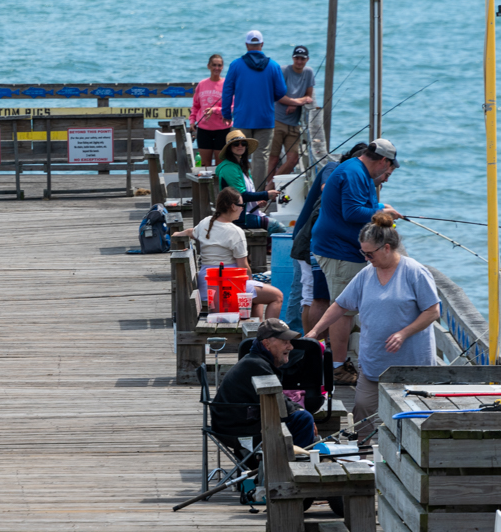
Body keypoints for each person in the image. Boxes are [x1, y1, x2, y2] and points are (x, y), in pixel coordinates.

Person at [305, 214, 440, 442]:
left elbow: (433, 311)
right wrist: (315, 331)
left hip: (412, 365)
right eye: (363, 254)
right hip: (374, 363)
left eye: (370, 254)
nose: (366, 259)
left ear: (387, 248)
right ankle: (364, 454)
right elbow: (340, 305)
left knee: (412, 418)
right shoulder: (366, 274)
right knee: (362, 411)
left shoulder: (414, 272)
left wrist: (403, 333)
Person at [309, 138, 403, 383]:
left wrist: (381, 206)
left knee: (348, 309)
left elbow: (364, 205)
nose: (386, 174)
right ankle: (338, 367)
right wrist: (383, 213)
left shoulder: (358, 170)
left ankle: (341, 361)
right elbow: (352, 212)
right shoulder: (353, 173)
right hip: (338, 251)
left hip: (346, 249)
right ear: (383, 160)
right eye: (388, 169)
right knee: (344, 310)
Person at [171, 183, 285, 320]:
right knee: (277, 296)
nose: (243, 210)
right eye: (241, 206)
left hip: (206, 283)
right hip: (225, 286)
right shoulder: (235, 232)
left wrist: (178, 234)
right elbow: (244, 267)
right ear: (232, 207)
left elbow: (191, 232)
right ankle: (268, 335)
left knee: (256, 294)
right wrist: (251, 282)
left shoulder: (206, 222)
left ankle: (255, 334)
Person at [220, 31, 313, 192]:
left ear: (247, 45)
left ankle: (237, 191)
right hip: (265, 119)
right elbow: (280, 92)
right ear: (262, 45)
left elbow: (227, 91)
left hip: (242, 119)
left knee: (237, 155)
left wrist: (227, 114)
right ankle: (257, 194)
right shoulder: (273, 66)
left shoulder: (236, 65)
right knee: (261, 157)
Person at [289, 142, 367, 332]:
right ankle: (307, 342)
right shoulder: (334, 168)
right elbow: (326, 187)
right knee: (310, 295)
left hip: (314, 240)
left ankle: (311, 342)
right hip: (307, 241)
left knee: (309, 294)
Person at [210, 318, 318, 450]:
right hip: (237, 431)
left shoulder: (255, 361)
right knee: (304, 419)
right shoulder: (256, 365)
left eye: (289, 342)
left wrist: (298, 409)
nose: (291, 347)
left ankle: (286, 460)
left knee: (301, 416)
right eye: (285, 342)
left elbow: (280, 399)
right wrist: (303, 413)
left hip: (234, 424)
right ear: (267, 344)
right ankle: (297, 466)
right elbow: (280, 404)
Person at [265, 46, 317, 189]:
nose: (299, 61)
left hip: (294, 123)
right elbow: (278, 95)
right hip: (277, 120)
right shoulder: (283, 71)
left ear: (307, 59)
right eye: (297, 58)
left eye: (302, 58)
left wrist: (295, 104)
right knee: (273, 157)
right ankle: (270, 191)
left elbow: (308, 96)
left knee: (293, 159)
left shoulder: (309, 72)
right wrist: (296, 102)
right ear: (293, 58)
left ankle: (270, 187)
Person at [189, 54, 231, 167]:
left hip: (222, 129)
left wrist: (215, 110)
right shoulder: (202, 84)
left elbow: (232, 107)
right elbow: (196, 105)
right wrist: (192, 121)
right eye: (214, 65)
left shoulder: (227, 85)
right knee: (204, 164)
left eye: (219, 65)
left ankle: (221, 185)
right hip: (204, 129)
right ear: (208, 66)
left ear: (222, 67)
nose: (216, 68)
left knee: (221, 164)